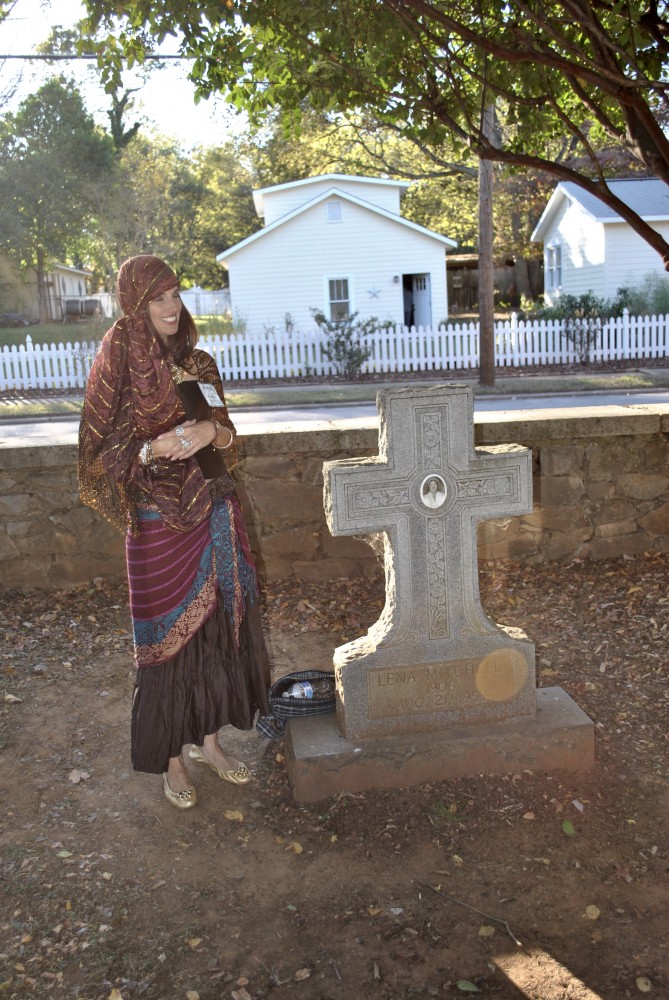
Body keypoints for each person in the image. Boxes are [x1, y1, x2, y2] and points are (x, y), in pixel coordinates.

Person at [78, 255, 271, 809]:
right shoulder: (118, 365)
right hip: (157, 523)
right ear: (136, 305)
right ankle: (171, 759)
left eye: (176, 294)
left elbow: (230, 438)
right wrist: (150, 447)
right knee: (165, 639)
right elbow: (95, 456)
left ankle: (209, 741)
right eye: (157, 297)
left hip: (213, 509)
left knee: (213, 630)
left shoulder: (198, 361)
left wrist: (212, 429)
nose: (170, 307)